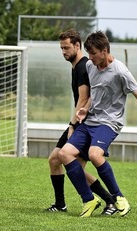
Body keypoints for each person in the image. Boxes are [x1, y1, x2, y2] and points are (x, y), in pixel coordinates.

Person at [58, 30, 137, 217]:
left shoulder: (120, 71)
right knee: (64, 154)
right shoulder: (90, 66)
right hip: (91, 120)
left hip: (110, 122)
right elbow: (93, 95)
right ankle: (88, 199)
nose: (90, 58)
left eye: (94, 53)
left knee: (94, 155)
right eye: (89, 53)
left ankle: (119, 198)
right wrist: (86, 108)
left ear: (105, 51)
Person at [45, 29, 115, 214]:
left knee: (73, 167)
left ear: (77, 45)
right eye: (61, 48)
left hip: (86, 124)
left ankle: (110, 200)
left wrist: (72, 125)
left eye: (66, 47)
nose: (63, 52)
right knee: (55, 160)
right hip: (81, 122)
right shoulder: (76, 66)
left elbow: (83, 99)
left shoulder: (84, 66)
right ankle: (61, 204)